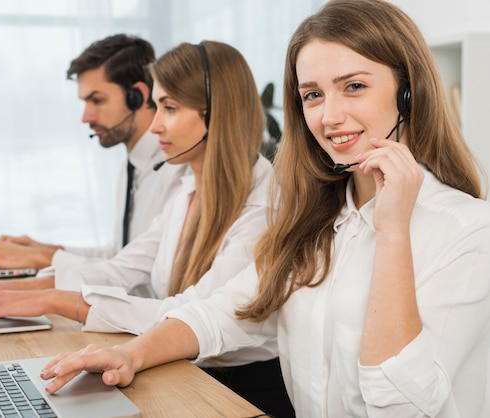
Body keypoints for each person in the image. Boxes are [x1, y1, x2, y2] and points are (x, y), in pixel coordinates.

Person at [37, 1, 490, 417]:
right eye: (312, 95)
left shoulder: (467, 232)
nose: (329, 116)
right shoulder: (316, 222)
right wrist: (130, 354)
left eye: (354, 86)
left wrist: (392, 231)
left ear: (408, 94)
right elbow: (226, 311)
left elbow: (401, 408)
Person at [0, 41, 293, 416]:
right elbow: (120, 267)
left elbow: (194, 312)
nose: (156, 123)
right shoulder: (188, 188)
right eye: (158, 106)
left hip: (239, 391)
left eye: (170, 108)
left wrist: (57, 301)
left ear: (218, 115)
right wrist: (23, 288)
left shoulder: (262, 205)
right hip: (182, 370)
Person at [0, 34, 185, 271]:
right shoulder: (132, 166)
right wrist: (45, 250)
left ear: (137, 96)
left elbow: (143, 276)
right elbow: (120, 255)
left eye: (97, 100)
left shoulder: (174, 169)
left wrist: (45, 260)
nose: (85, 117)